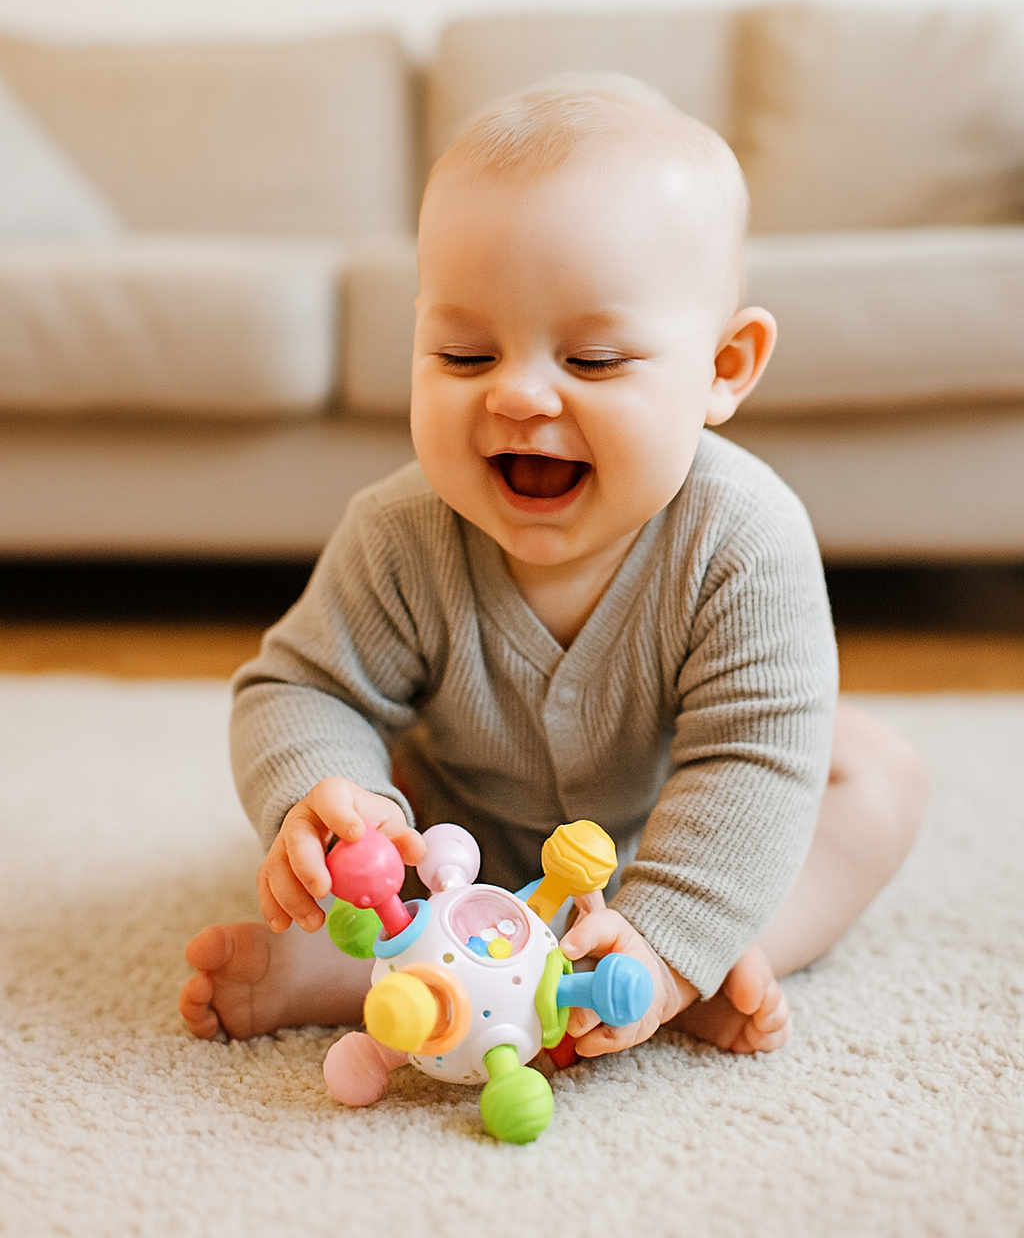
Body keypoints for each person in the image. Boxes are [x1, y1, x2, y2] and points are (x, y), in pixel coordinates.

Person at [179, 75, 928, 1059]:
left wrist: (666, 931)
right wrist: (325, 795)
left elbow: (753, 756)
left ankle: (690, 959)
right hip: (455, 859)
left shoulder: (745, 540)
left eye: (594, 362)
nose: (521, 396)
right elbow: (301, 685)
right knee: (358, 803)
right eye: (463, 356)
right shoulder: (401, 531)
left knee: (875, 776)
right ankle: (372, 965)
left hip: (669, 829)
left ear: (724, 367)